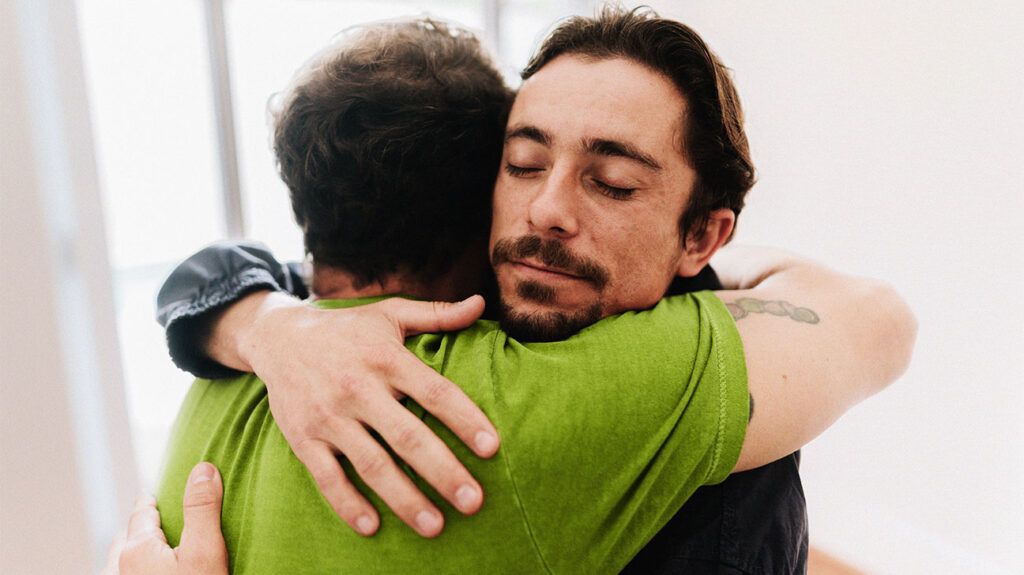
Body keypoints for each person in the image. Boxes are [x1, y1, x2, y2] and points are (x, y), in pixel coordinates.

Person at [141, 8, 915, 574]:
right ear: (477, 193)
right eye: (523, 164)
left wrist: (261, 323)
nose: (547, 209)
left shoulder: (208, 395)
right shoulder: (561, 401)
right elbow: (873, 316)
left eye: (611, 183)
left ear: (704, 233)